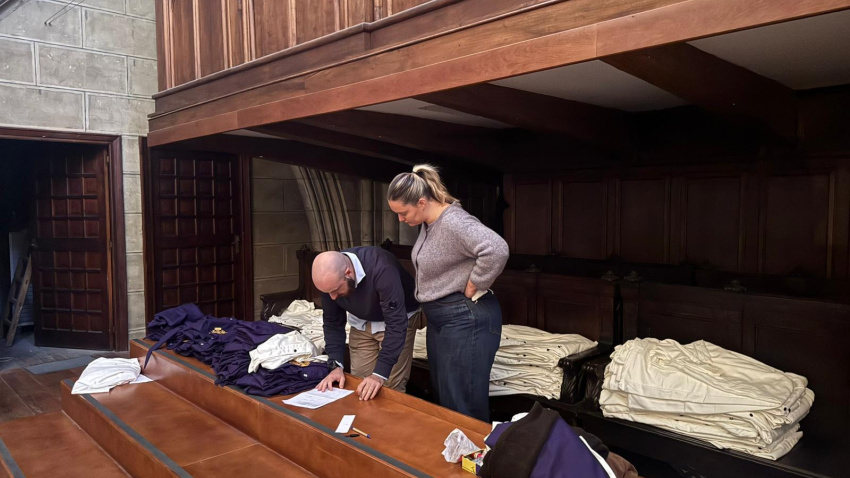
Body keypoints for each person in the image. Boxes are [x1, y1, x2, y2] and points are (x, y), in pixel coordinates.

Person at [387, 164, 509, 421]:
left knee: (464, 405)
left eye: (403, 212)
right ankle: (454, 459)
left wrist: (477, 282)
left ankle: (476, 460)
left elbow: (496, 248)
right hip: (443, 319)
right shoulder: (429, 222)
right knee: (447, 400)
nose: (401, 219)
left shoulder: (454, 221)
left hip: (467, 318)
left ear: (421, 202)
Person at [312, 246, 422, 401]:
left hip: (396, 319)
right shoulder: (330, 280)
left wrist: (379, 374)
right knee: (360, 385)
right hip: (361, 322)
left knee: (389, 388)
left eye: (336, 290)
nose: (333, 298)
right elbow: (332, 322)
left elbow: (396, 323)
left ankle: (388, 425)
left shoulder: (382, 268)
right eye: (327, 292)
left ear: (348, 273)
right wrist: (335, 365)